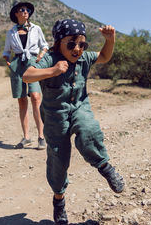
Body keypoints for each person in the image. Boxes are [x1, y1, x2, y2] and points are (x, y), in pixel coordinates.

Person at [23, 19, 125, 224]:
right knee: (58, 160)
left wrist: (110, 40)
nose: (77, 49)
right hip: (54, 116)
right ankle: (59, 200)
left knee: (89, 130)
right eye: (71, 44)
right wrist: (53, 70)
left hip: (79, 108)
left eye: (82, 44)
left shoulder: (84, 58)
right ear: (59, 42)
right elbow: (27, 75)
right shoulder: (50, 58)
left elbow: (104, 56)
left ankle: (105, 166)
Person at [3, 1, 49, 150]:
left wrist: (40, 57)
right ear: (16, 13)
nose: (25, 11)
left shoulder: (36, 29)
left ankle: (41, 136)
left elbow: (45, 45)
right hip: (17, 64)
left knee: (36, 97)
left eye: (27, 10)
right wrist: (9, 62)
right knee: (22, 101)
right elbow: (6, 51)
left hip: (33, 62)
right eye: (22, 10)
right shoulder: (11, 32)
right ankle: (26, 137)